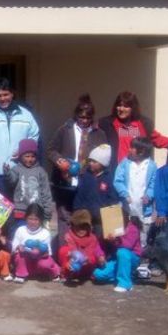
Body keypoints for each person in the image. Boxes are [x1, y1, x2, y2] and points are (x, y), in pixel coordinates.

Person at [47, 94, 108, 238]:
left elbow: (105, 157)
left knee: (83, 217)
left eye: (87, 118)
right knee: (64, 217)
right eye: (81, 117)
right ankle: (64, 252)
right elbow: (51, 150)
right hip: (64, 182)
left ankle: (84, 252)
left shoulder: (99, 134)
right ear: (76, 115)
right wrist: (59, 161)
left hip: (86, 181)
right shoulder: (65, 129)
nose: (84, 121)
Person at [98, 91, 168, 174]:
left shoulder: (143, 124)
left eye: (126, 106)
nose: (121, 109)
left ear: (133, 108)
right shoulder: (107, 124)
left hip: (138, 172)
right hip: (117, 172)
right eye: (119, 105)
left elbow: (157, 139)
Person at [113, 137, 156, 244]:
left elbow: (153, 184)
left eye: (132, 148)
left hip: (143, 208)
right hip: (127, 207)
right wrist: (124, 194)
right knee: (126, 233)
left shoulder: (151, 165)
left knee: (143, 235)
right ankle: (126, 254)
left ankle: (142, 255)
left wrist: (148, 196)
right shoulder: (125, 163)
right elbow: (118, 180)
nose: (129, 150)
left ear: (142, 151)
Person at [73, 144, 120, 240]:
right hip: (86, 217)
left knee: (101, 242)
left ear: (102, 164)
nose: (91, 163)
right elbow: (79, 195)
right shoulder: (85, 176)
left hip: (101, 219)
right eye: (90, 161)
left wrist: (112, 220)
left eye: (94, 162)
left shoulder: (108, 178)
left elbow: (113, 199)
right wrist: (77, 210)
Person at [4, 138, 52, 229]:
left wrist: (47, 214)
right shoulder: (16, 169)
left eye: (32, 156)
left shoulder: (41, 171)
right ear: (20, 156)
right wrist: (8, 173)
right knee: (21, 234)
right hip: (20, 212)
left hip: (36, 212)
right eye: (27, 156)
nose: (30, 159)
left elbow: (46, 193)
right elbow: (11, 181)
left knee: (35, 238)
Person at [11, 204, 61, 284]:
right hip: (26, 263)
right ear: (26, 218)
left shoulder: (45, 233)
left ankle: (53, 271)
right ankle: (21, 274)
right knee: (19, 256)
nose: (32, 222)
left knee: (46, 263)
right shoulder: (20, 230)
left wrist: (40, 252)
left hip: (38, 261)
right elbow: (13, 247)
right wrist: (18, 247)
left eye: (36, 219)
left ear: (41, 220)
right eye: (30, 218)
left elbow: (48, 253)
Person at [93, 216, 143, 293]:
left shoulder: (132, 228)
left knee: (122, 252)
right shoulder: (108, 229)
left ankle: (125, 284)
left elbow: (128, 245)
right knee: (98, 274)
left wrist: (116, 240)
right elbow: (98, 245)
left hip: (132, 258)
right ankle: (129, 275)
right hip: (117, 260)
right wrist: (100, 255)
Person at [58, 209, 105, 282]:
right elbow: (68, 252)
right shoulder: (68, 236)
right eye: (78, 226)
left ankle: (86, 275)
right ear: (73, 226)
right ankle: (66, 274)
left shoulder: (92, 238)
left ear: (89, 227)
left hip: (86, 266)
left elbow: (95, 251)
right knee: (64, 250)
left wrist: (90, 259)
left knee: (94, 255)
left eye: (84, 226)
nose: (81, 229)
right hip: (71, 265)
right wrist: (70, 259)